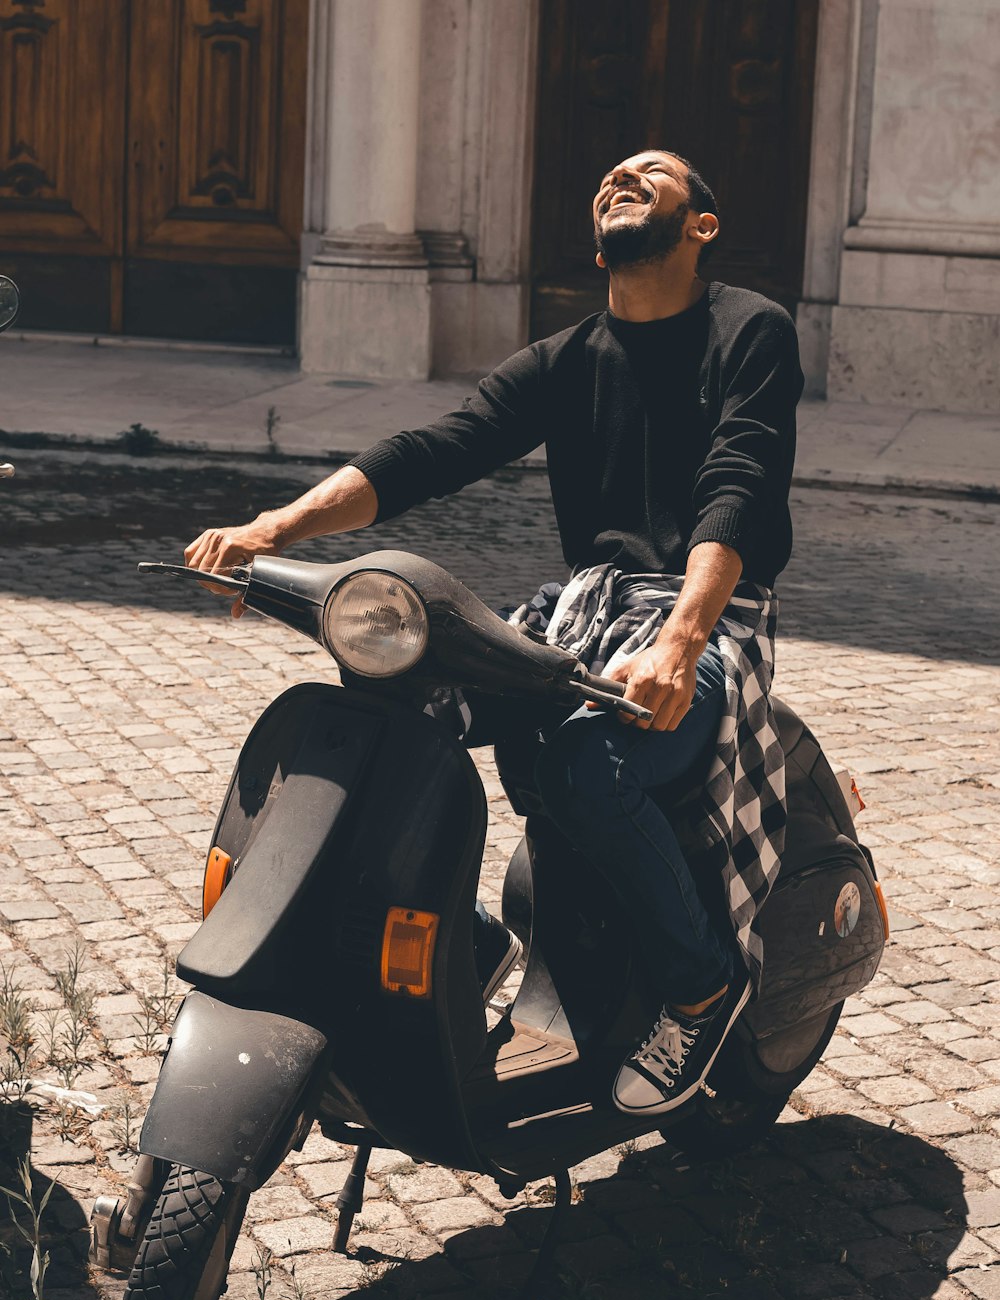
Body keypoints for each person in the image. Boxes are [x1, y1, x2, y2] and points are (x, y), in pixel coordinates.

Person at [185, 149, 803, 1118]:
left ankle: (699, 986)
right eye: (607, 175)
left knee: (584, 767)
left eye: (650, 173)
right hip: (582, 612)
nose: (619, 176)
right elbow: (435, 449)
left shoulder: (747, 329)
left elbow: (742, 479)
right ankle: (457, 936)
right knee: (394, 706)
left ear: (701, 226)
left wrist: (683, 640)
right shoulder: (566, 358)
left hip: (701, 619)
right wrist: (271, 531)